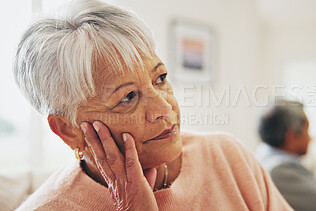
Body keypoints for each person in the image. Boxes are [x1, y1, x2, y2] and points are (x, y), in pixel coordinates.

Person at [13, 0, 293, 210]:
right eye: (128, 97)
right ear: (68, 130)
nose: (165, 108)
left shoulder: (227, 156)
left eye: (160, 78)